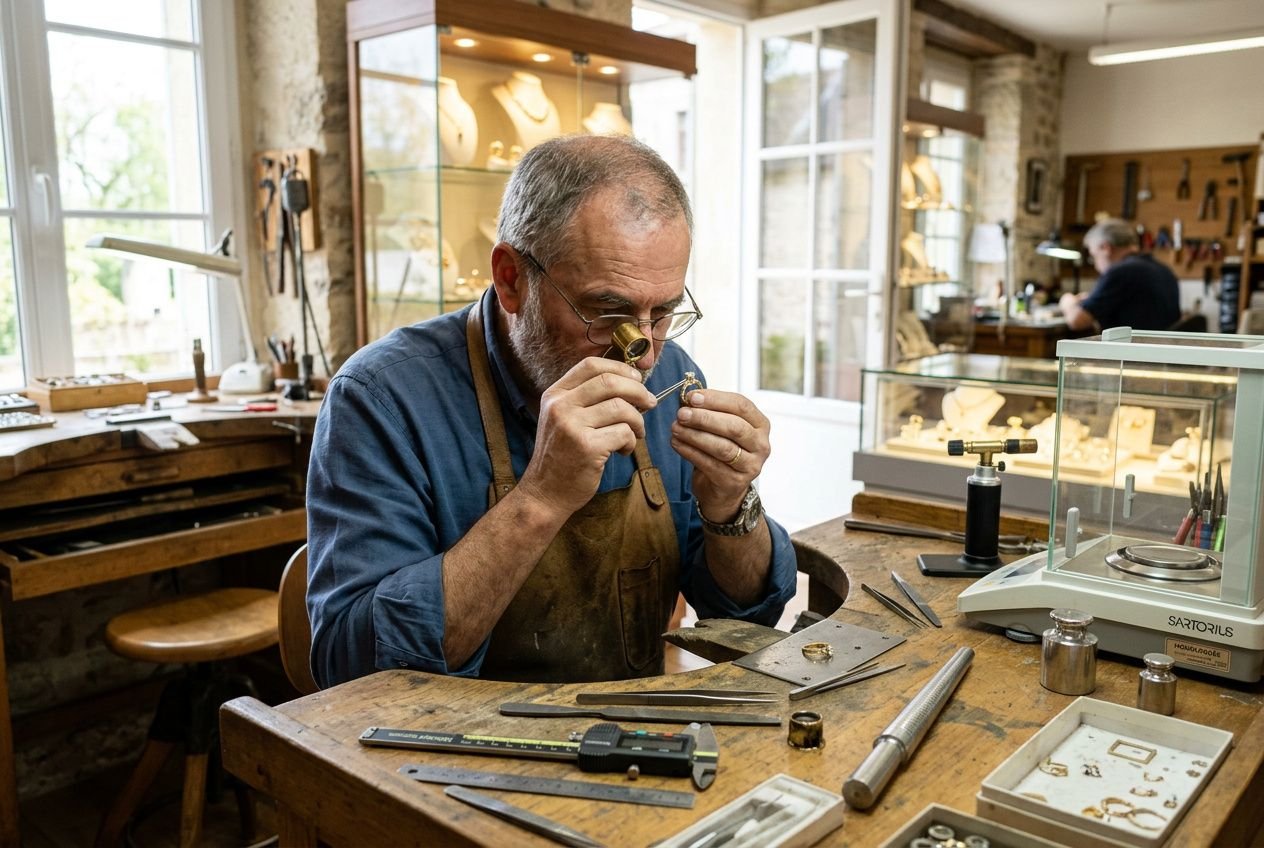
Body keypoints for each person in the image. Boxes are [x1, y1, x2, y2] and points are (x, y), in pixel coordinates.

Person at [306, 135, 797, 687]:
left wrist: (730, 507)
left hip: (624, 734)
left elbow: (746, 617)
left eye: (662, 312)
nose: (645, 351)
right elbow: (350, 669)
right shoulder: (381, 399)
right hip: (446, 758)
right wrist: (541, 498)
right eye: (608, 311)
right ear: (511, 279)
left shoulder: (669, 370)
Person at [1058, 218, 1180, 332]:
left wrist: (1068, 300)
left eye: (1094, 255)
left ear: (1105, 248)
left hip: (1133, 352)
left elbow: (1076, 321)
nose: (1095, 265)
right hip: (1159, 350)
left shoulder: (1120, 272)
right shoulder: (1162, 269)